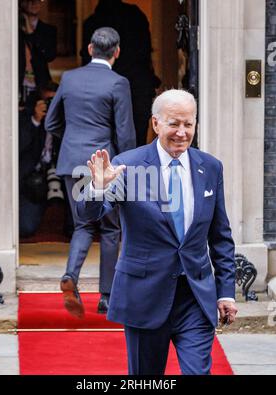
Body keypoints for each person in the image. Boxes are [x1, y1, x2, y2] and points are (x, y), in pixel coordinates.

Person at [77, 89, 238, 375]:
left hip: (195, 297)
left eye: (188, 124)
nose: (181, 132)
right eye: (174, 123)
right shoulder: (129, 165)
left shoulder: (210, 167)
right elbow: (90, 215)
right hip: (145, 297)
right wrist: (97, 188)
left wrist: (226, 293)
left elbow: (220, 236)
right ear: (156, 124)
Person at [45, 27, 136, 316]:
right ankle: (107, 296)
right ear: (117, 51)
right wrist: (125, 166)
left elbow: (50, 123)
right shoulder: (118, 82)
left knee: (83, 224)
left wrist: (72, 143)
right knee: (110, 228)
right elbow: (124, 132)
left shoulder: (69, 78)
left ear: (89, 48)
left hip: (72, 161)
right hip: (103, 165)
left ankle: (71, 275)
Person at [81, 0, 161, 147]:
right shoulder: (136, 15)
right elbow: (146, 52)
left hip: (104, 89)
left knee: (104, 140)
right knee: (137, 140)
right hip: (137, 86)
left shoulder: (92, 23)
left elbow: (87, 61)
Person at [19, 81, 58, 237]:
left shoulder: (68, 120)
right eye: (47, 102)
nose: (51, 107)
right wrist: (35, 120)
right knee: (27, 227)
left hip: (59, 175)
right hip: (33, 179)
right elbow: (19, 145)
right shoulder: (27, 119)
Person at [19, 0, 57, 103]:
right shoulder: (14, 30)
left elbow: (50, 56)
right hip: (18, 84)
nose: (35, 3)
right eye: (30, 0)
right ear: (22, 3)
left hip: (40, 85)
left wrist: (32, 34)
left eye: (39, 0)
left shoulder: (49, 30)